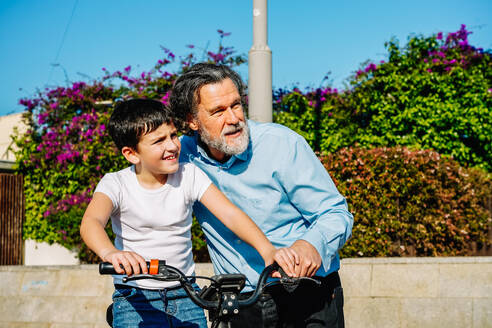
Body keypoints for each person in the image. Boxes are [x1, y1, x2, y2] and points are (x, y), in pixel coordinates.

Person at [80, 99, 298, 328]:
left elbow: (230, 214)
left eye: (173, 136)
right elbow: (91, 222)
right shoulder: (115, 183)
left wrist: (267, 250)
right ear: (132, 154)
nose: (172, 146)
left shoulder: (189, 175)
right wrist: (111, 253)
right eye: (159, 141)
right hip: (136, 299)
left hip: (186, 295)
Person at [170, 63, 354, 328]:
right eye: (218, 111)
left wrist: (311, 244)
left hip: (307, 292)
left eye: (235, 105)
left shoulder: (282, 144)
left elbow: (335, 213)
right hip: (240, 301)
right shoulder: (181, 157)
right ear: (191, 121)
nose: (233, 118)